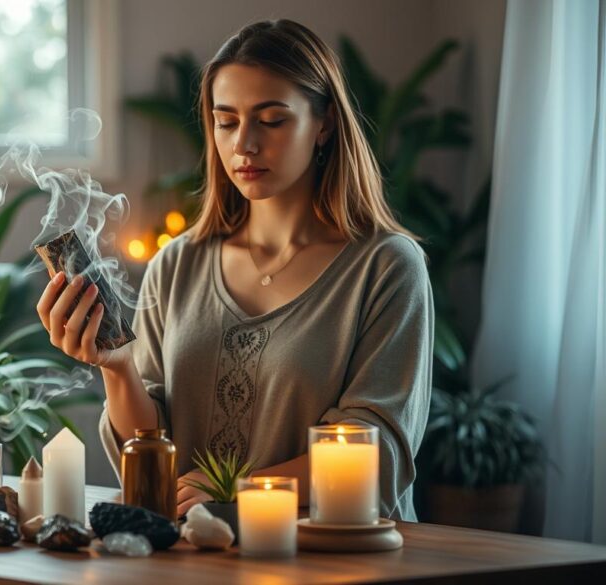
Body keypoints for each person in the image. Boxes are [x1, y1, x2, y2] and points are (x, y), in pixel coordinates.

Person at [36, 19, 433, 521]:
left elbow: (373, 452)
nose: (244, 144)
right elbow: (149, 453)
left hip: (338, 560)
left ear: (325, 124)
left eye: (271, 120)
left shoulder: (386, 267)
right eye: (226, 121)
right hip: (198, 560)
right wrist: (116, 367)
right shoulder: (177, 263)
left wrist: (241, 491)